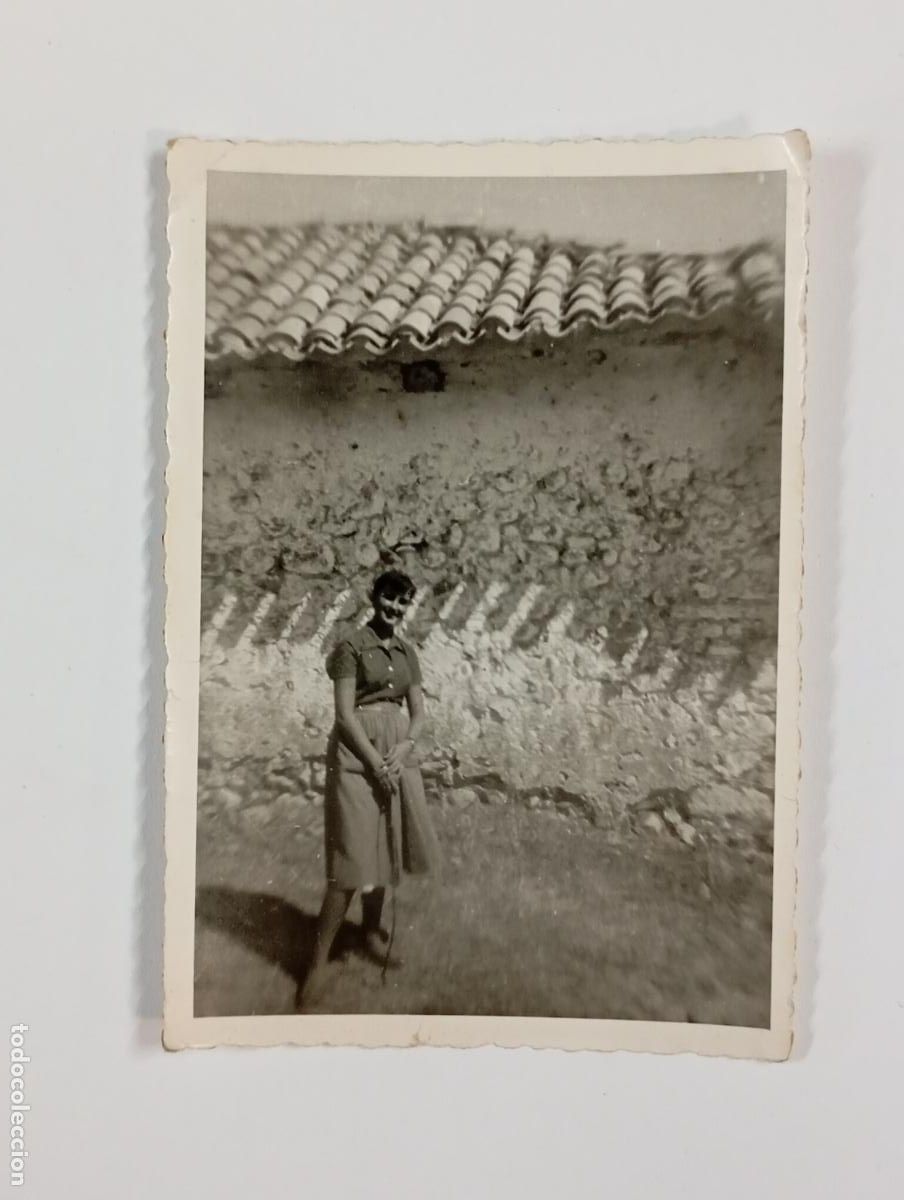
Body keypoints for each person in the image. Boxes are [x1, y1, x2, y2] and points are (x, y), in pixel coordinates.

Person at [297, 569, 441, 1009]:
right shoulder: (350, 648)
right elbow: (344, 715)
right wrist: (375, 761)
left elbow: (418, 714)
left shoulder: (406, 651)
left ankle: (369, 934)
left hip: (397, 756)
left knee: (388, 848)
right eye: (388, 598)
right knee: (351, 862)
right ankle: (316, 965)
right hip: (358, 758)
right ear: (374, 597)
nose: (394, 608)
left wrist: (403, 750)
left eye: (402, 602)